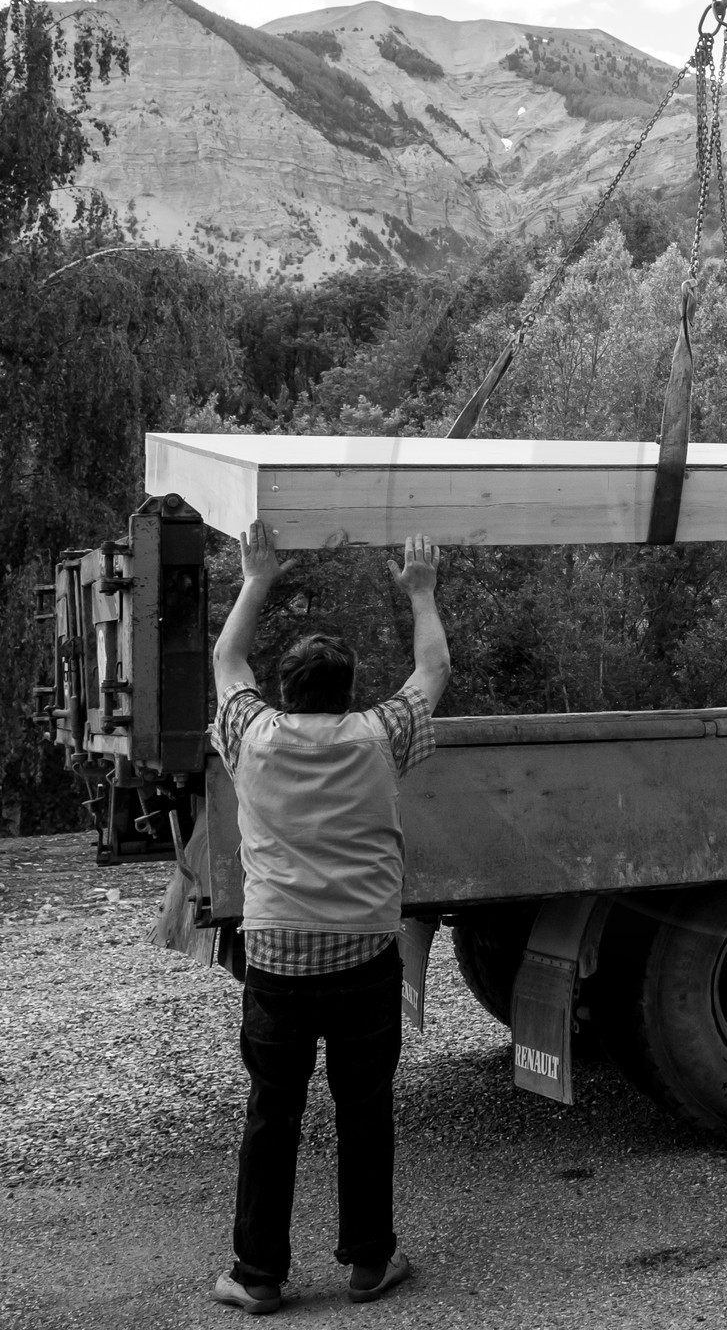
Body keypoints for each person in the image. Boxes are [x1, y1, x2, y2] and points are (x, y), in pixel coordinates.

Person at [210, 522, 451, 1315]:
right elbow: (434, 667)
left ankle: (258, 1277)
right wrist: (420, 590)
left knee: (271, 1113)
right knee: (364, 1110)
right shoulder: (380, 737)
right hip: (364, 961)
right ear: (349, 691)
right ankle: (368, 1265)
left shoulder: (251, 734)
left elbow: (225, 660)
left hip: (277, 963)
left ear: (285, 690)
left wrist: (258, 577)